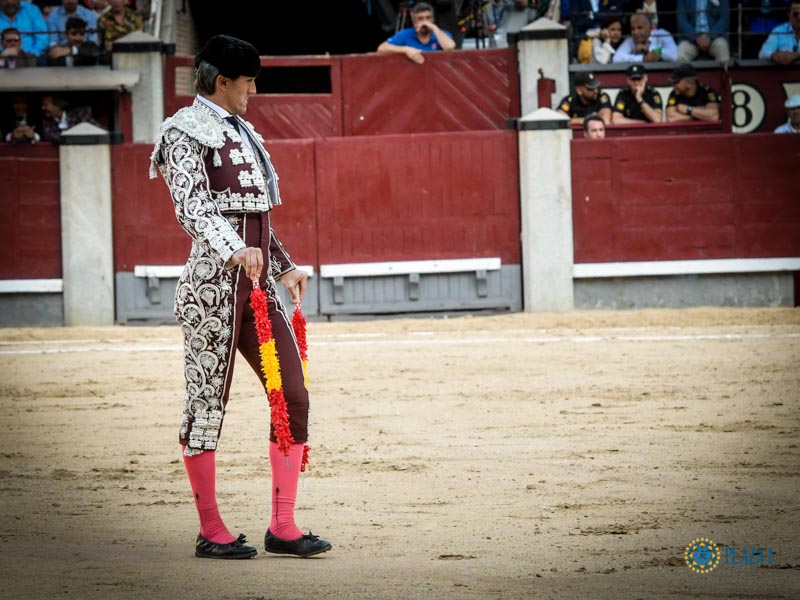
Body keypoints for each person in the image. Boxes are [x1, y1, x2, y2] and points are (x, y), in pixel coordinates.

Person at [150, 34, 332, 561]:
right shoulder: (182, 132)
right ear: (222, 82)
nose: (253, 91)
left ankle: (284, 525)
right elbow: (192, 207)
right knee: (207, 406)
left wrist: (284, 264)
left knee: (291, 395)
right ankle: (211, 529)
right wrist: (234, 251)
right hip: (210, 291)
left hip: (255, 294)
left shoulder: (244, 132)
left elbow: (258, 222)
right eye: (248, 82)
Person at [377, 1, 455, 64]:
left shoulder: (441, 34)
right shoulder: (406, 33)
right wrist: (406, 50)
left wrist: (434, 27)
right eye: (420, 19)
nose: (425, 22)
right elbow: (381, 49)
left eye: (428, 18)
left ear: (433, 20)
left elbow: (450, 47)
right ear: (414, 22)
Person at [613, 12, 679, 62]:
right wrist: (643, 58)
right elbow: (616, 58)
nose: (635, 32)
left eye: (639, 28)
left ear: (650, 28)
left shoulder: (662, 34)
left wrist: (651, 50)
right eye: (633, 29)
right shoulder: (630, 40)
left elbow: (674, 55)